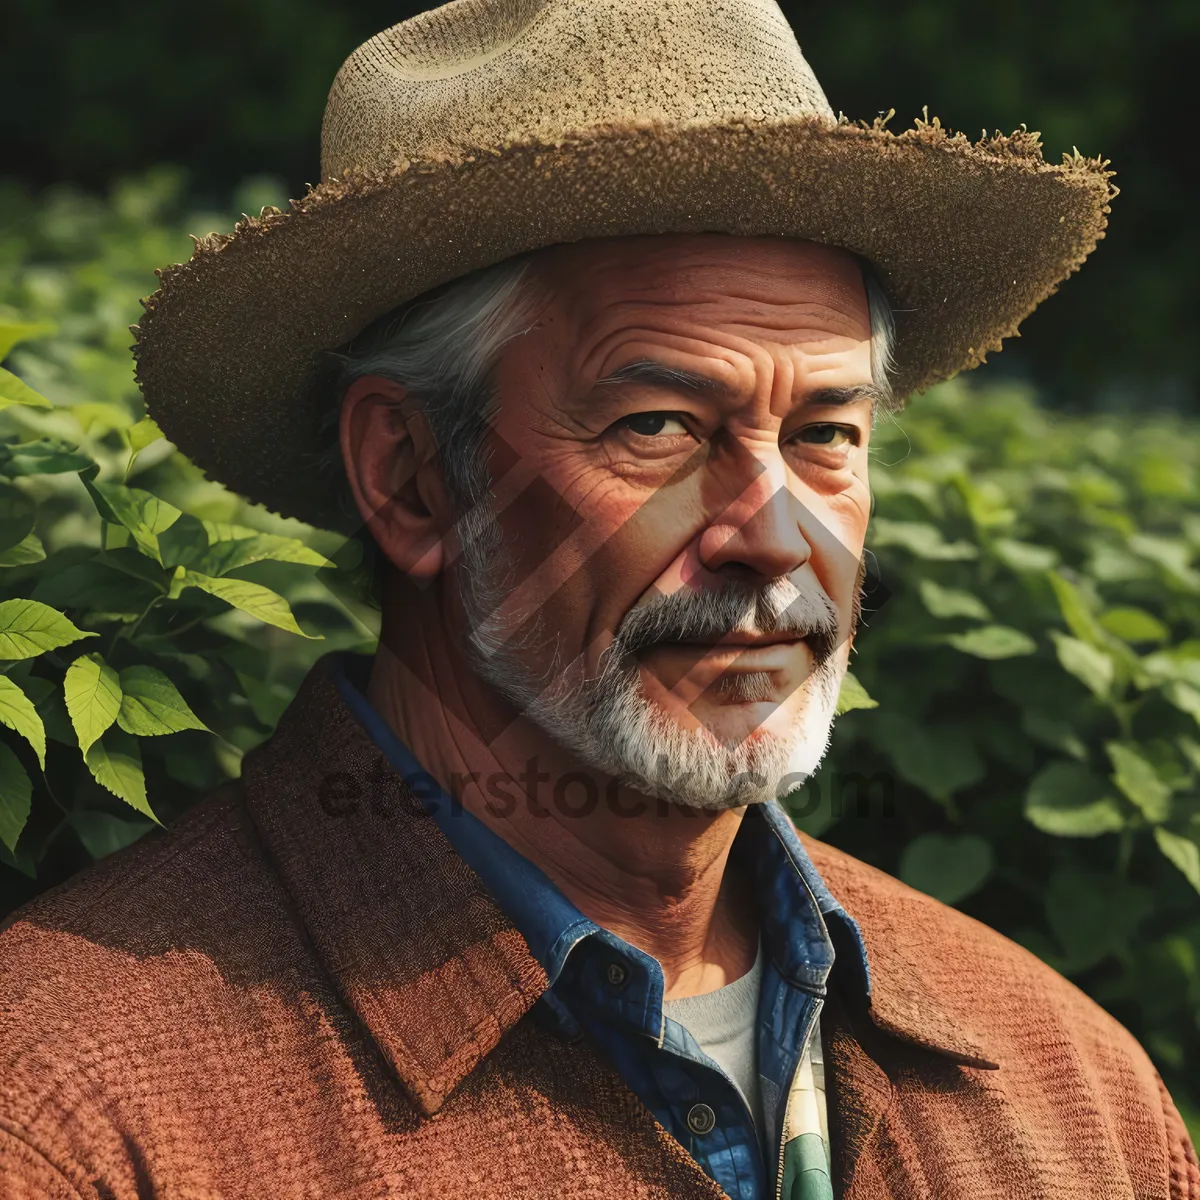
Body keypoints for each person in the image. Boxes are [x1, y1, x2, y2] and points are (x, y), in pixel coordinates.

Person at [2, 1, 1194, 1197]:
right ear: (411, 479)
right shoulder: (72, 1117)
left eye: (828, 433)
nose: (777, 540)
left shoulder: (1073, 1095)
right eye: (660, 428)